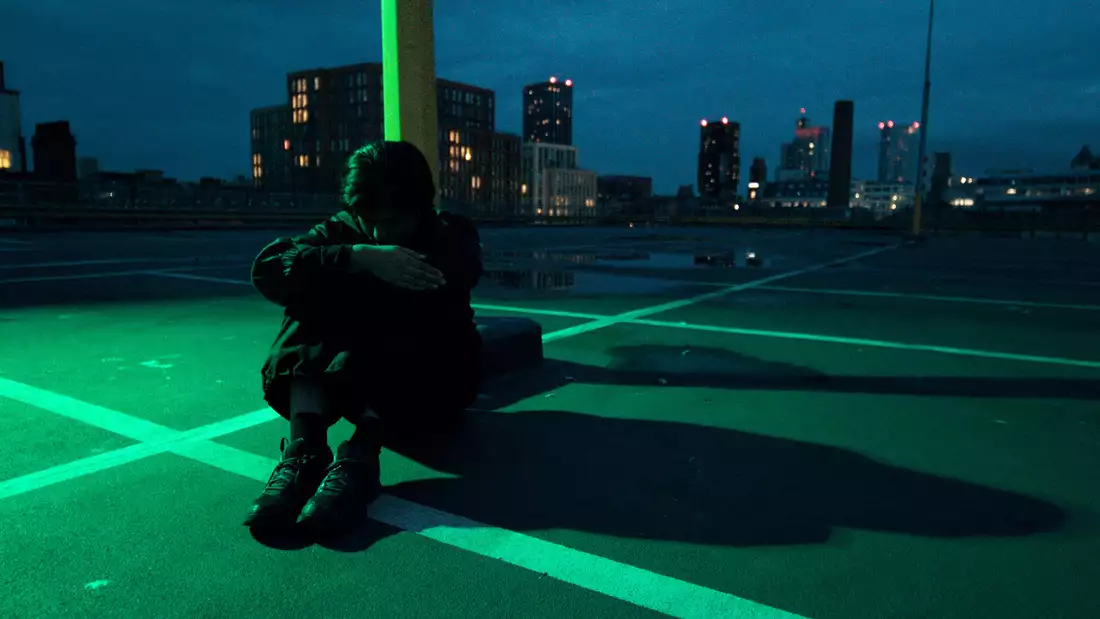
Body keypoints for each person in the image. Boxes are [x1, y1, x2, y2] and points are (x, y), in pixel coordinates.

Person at [243, 140, 483, 532]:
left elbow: (444, 288)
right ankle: (305, 449)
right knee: (310, 292)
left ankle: (361, 457)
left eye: (389, 221)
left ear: (419, 208)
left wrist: (356, 269)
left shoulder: (451, 236)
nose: (375, 231)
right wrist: (356, 256)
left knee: (377, 299)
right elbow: (268, 268)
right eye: (366, 216)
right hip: (359, 381)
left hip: (431, 386)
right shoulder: (348, 228)